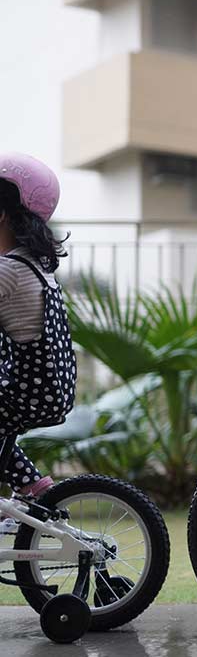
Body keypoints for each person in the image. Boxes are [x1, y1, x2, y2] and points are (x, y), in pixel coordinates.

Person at [0, 152, 76, 517]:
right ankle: (33, 488)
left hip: (24, 391)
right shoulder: (37, 264)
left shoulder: (8, 271)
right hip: (46, 388)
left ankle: (28, 492)